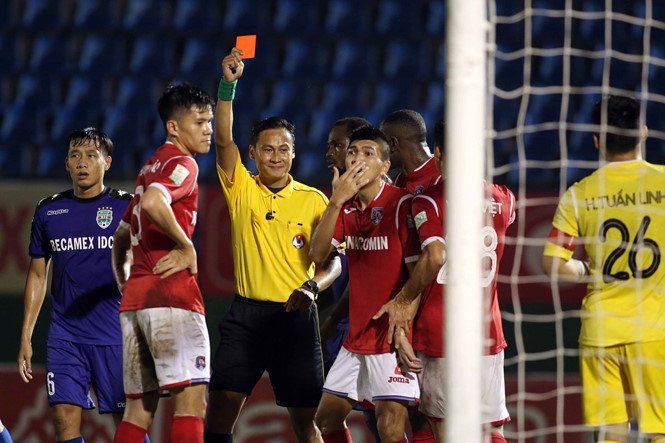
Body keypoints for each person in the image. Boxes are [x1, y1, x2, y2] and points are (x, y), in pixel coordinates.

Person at [205, 48, 341, 443]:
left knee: (306, 422)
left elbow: (334, 261)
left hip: (295, 317)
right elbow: (223, 140)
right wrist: (227, 86)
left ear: (294, 153)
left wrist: (313, 286)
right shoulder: (241, 187)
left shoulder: (315, 200)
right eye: (267, 149)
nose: (276, 156)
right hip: (246, 318)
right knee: (221, 409)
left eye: (284, 149)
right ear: (252, 154)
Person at [374, 119, 515, 442]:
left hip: (441, 334)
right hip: (487, 332)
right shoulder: (504, 198)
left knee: (443, 429)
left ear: (438, 153)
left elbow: (435, 256)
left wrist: (402, 300)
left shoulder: (427, 201)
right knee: (492, 429)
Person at [542, 95, 665, 443]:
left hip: (600, 332)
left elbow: (553, 264)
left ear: (597, 140)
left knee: (612, 433)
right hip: (655, 329)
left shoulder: (579, 194)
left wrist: (587, 271)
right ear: (643, 132)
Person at [18, 127, 136, 443]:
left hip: (115, 334)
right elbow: (38, 274)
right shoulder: (49, 211)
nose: (82, 162)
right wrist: (26, 336)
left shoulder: (127, 207)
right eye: (75, 155)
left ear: (107, 162)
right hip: (66, 336)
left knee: (128, 424)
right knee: (63, 420)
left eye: (91, 155)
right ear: (67, 164)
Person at [111, 83, 214, 443]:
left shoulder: (151, 166)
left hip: (136, 300)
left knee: (138, 411)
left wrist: (127, 282)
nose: (208, 129)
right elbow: (155, 202)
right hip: (171, 295)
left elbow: (121, 236)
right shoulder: (183, 163)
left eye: (209, 121)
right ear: (173, 126)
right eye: (199, 122)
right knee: (191, 406)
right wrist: (187, 246)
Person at [310, 125, 421, 443]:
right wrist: (335, 201)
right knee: (325, 421)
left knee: (390, 428)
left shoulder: (402, 204)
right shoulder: (345, 207)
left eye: (368, 153)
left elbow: (418, 275)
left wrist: (405, 327)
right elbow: (317, 255)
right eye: (353, 152)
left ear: (385, 166)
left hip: (390, 339)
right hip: (356, 340)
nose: (357, 159)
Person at [319, 116, 370, 375]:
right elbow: (323, 256)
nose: (329, 152)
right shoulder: (341, 200)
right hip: (344, 324)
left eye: (337, 145)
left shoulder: (377, 202)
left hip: (367, 328)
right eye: (329, 145)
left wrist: (331, 321)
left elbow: (365, 280)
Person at [380, 110, 441, 195]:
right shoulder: (399, 180)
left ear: (393, 143)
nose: (378, 152)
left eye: (381, 144)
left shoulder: (443, 176)